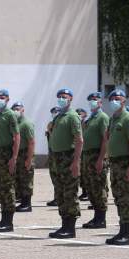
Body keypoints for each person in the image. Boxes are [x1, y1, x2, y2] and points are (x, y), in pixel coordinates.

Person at [104, 89, 129, 245]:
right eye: (112, 98)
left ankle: (127, 234)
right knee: (119, 197)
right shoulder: (113, 119)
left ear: (124, 100)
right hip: (115, 163)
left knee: (126, 198)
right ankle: (122, 231)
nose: (114, 101)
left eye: (117, 98)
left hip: (125, 163)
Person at [48, 88, 83, 239]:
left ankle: (70, 228)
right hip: (57, 159)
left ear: (70, 99)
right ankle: (64, 225)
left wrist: (76, 162)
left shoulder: (72, 116)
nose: (62, 99)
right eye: (60, 96)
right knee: (60, 193)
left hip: (68, 158)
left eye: (65, 96)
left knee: (69, 193)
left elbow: (79, 140)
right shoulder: (59, 116)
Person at [0, 89, 20, 233]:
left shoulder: (10, 114)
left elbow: (17, 136)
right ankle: (3, 218)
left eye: (2, 97)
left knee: (7, 187)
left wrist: (14, 157)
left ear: (7, 99)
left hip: (7, 152)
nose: (0, 99)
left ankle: (8, 221)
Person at [81, 92, 110, 229]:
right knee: (91, 187)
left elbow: (105, 139)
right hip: (87, 156)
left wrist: (101, 159)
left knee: (98, 187)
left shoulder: (102, 117)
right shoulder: (90, 119)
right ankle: (96, 216)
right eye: (90, 99)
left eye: (95, 99)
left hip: (97, 155)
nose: (92, 102)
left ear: (100, 102)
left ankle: (101, 218)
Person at [12, 101, 35, 213]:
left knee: (26, 179)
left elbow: (31, 142)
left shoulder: (26, 123)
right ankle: (22, 201)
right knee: (19, 179)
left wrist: (29, 159)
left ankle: (27, 204)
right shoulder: (16, 123)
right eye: (14, 109)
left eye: (18, 109)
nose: (16, 111)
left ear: (23, 110)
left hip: (25, 153)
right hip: (18, 154)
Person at [46, 106, 60, 207]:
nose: (54, 114)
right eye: (53, 112)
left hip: (58, 153)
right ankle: (57, 197)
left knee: (59, 177)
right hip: (52, 153)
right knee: (54, 177)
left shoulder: (60, 124)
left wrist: (50, 130)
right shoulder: (51, 124)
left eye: (56, 112)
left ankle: (59, 198)